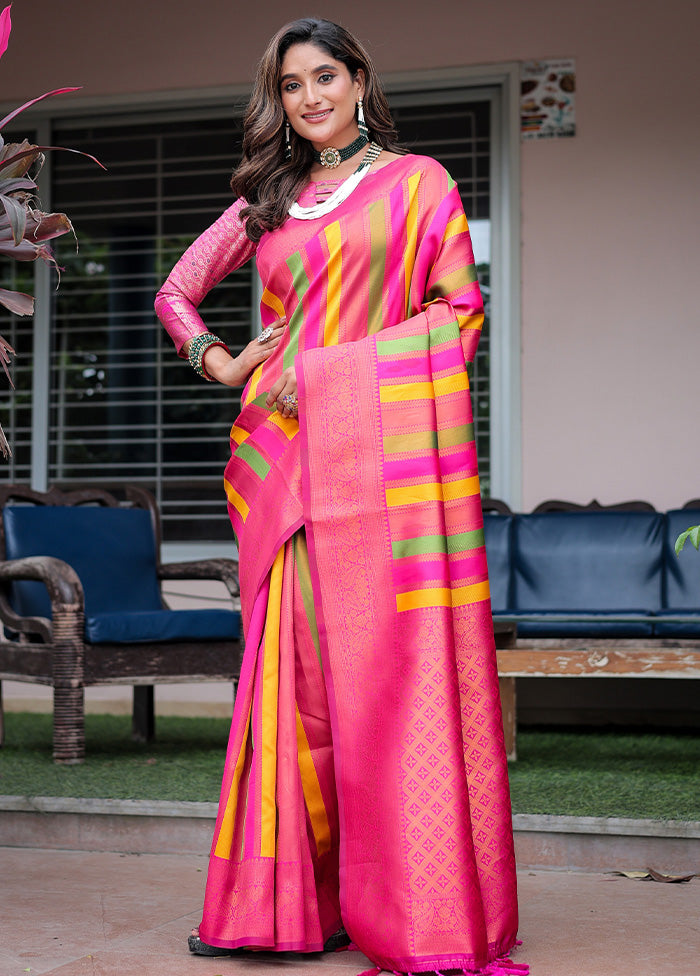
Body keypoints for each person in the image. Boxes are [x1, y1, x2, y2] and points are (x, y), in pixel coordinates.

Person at [155, 17, 525, 976]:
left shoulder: (417, 184)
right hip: (285, 467)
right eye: (291, 85)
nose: (310, 97)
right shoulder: (267, 203)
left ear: (359, 80)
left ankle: (410, 903)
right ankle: (287, 908)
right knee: (297, 686)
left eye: (325, 76)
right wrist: (226, 362)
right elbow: (175, 292)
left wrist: (321, 373)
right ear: (277, 99)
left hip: (380, 466)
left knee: (383, 679)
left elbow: (458, 314)